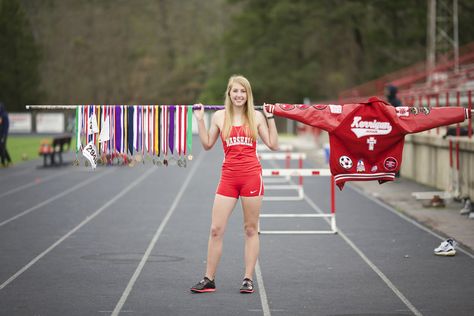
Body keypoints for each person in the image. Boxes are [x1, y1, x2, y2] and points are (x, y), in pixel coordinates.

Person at [191, 75, 278, 294]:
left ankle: (248, 278)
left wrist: (270, 118)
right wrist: (200, 119)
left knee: (250, 229)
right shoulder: (220, 116)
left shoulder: (256, 116)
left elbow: (273, 144)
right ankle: (208, 278)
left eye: (243, 91)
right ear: (229, 93)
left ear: (248, 94)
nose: (239, 95)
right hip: (228, 178)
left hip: (251, 177)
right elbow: (208, 144)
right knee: (215, 229)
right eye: (235, 91)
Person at [0, 102, 12, 167]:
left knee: (2, 148)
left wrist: (4, 136)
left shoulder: (4, 115)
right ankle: (9, 161)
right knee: (3, 148)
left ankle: (3, 162)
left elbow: (6, 126)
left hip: (3, 135)